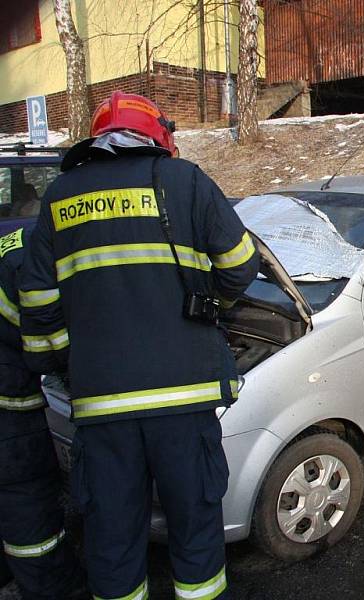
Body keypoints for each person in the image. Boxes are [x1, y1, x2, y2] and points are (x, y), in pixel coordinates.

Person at [19, 91, 259, 600]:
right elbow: (240, 264)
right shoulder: (185, 180)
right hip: (184, 400)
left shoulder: (59, 197)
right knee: (195, 529)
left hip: (102, 407)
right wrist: (207, 299)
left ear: (99, 138)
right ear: (157, 136)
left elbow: (38, 303)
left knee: (113, 537)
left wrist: (65, 360)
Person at [0, 225, 85, 599]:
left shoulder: (23, 241)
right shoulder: (41, 258)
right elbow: (52, 343)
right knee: (30, 516)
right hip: (9, 413)